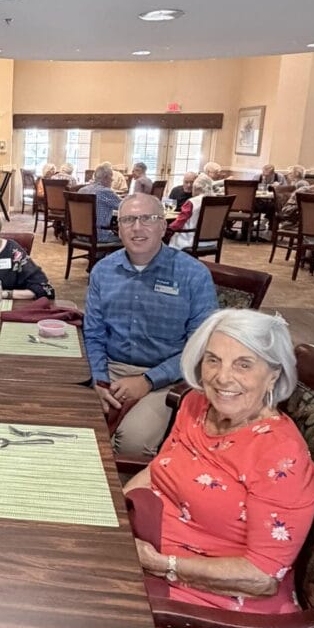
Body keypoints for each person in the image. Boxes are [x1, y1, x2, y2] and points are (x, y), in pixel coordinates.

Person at [0, 310, 314, 628]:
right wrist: (106, 514)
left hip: (224, 604)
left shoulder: (281, 459)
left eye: (244, 364)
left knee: (77, 599)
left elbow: (260, 577)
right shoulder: (198, 405)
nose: (222, 377)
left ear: (274, 373)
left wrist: (159, 565)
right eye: (213, 360)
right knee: (52, 542)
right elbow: (159, 471)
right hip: (155, 543)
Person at [83, 193, 218, 456]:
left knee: (132, 444)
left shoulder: (193, 274)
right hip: (109, 367)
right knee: (66, 421)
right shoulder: (103, 270)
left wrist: (148, 380)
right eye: (128, 220)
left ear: (163, 226)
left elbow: (200, 347)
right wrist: (99, 379)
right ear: (118, 228)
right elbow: (94, 332)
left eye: (147, 219)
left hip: (167, 376)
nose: (137, 227)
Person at [168, 174, 214, 249]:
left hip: (190, 240)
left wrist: (167, 229)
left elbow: (179, 223)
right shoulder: (217, 200)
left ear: (196, 187)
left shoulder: (192, 202)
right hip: (211, 241)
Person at [77, 163, 122, 241]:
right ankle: (104, 253)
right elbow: (124, 206)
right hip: (100, 235)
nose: (112, 180)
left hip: (79, 234)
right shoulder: (105, 191)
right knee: (127, 239)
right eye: (111, 177)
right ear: (105, 177)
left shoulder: (82, 190)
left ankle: (100, 253)